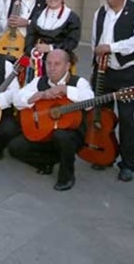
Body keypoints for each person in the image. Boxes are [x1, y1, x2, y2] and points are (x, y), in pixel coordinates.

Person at [8, 49, 94, 191]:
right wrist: (39, 95)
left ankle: (67, 176)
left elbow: (90, 102)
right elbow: (17, 100)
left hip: (71, 134)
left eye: (57, 64)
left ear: (67, 66)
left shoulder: (78, 82)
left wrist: (66, 89)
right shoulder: (39, 81)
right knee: (15, 147)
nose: (52, 68)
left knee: (61, 135)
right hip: (46, 131)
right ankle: (47, 162)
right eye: (49, 64)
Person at [92, 0, 134, 182]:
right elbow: (95, 41)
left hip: (126, 73)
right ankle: (105, 154)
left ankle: (127, 163)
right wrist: (98, 56)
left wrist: (112, 48)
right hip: (102, 72)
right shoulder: (100, 12)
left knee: (126, 118)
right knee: (101, 116)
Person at [25, 0, 81, 79]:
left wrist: (51, 48)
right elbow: (30, 37)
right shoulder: (38, 15)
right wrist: (32, 52)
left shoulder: (72, 17)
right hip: (38, 63)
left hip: (60, 63)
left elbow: (72, 42)